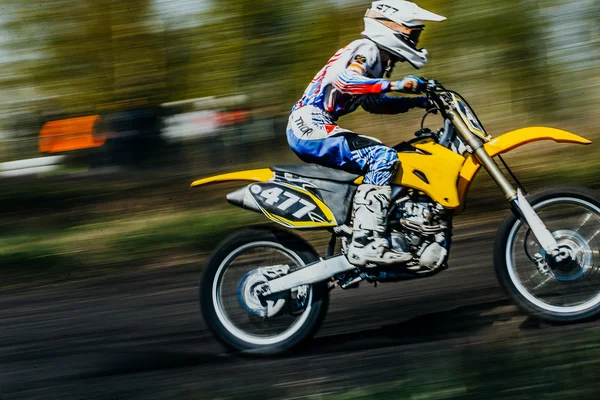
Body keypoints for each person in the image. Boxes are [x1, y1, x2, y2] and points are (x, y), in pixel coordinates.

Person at [286, 1, 446, 267]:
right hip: (309, 123)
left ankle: (376, 227)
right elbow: (344, 82)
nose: (416, 40)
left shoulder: (378, 60)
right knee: (381, 156)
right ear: (390, 26)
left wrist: (418, 101)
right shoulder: (366, 49)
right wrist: (397, 84)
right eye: (413, 33)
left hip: (314, 124)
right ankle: (365, 241)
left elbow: (373, 102)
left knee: (388, 154)